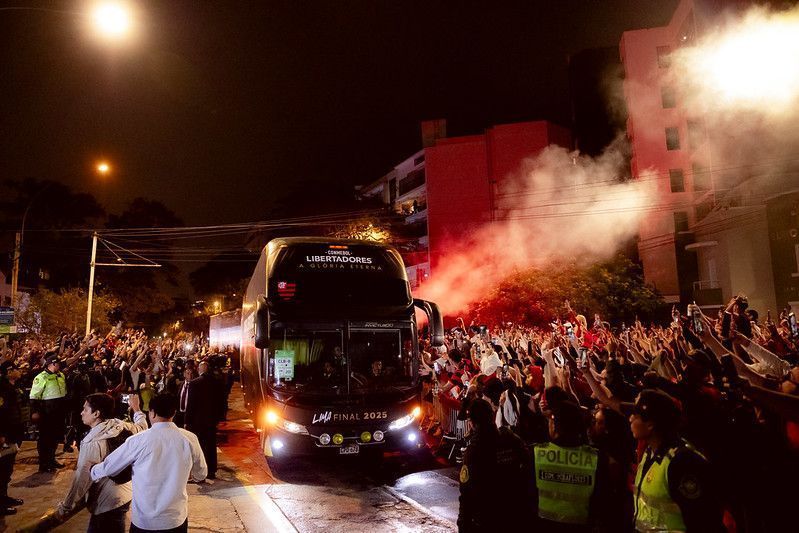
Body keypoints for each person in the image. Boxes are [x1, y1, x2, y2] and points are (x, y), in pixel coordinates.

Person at [90, 393, 207, 533]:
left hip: (145, 522)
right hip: (175, 519)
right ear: (174, 413)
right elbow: (201, 474)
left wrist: (92, 470)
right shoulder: (189, 438)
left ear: (152, 413)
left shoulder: (138, 441)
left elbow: (109, 467)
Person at [628, 389, 725, 532]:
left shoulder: (682, 462)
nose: (630, 419)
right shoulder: (651, 452)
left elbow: (703, 520)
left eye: (635, 416)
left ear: (650, 425)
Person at [56, 392, 149, 532]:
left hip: (106, 501)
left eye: (85, 409)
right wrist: (136, 409)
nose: (81, 413)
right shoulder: (123, 426)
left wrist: (65, 507)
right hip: (126, 494)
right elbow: (143, 427)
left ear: (96, 414)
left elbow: (82, 478)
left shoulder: (92, 442)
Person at [532, 400, 609, 532]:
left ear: (554, 426)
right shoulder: (595, 457)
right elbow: (602, 500)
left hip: (544, 525)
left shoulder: (536, 453)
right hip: (582, 526)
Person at [458, 398, 529, 532]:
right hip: (513, 512)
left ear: (471, 422)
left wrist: (463, 525)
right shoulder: (510, 438)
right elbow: (527, 466)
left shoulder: (474, 449)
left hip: (487, 518)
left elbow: (466, 495)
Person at [29, 354, 67, 472]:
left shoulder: (61, 375)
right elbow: (34, 396)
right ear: (53, 364)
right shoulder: (41, 377)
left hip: (59, 410)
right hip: (46, 412)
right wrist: (35, 412)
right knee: (45, 438)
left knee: (55, 437)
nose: (60, 365)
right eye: (59, 363)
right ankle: (43, 463)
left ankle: (51, 459)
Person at [185, 361, 223, 479]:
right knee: (211, 445)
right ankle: (211, 469)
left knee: (200, 446)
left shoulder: (194, 383)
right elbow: (221, 401)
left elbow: (190, 405)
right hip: (211, 419)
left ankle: (201, 470)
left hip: (198, 421)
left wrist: (188, 421)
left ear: (200, 370)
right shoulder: (216, 382)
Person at [0, 365, 25, 516]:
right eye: (16, 369)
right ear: (9, 372)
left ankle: (4, 497)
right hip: (6, 433)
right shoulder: (2, 388)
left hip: (14, 431)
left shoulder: (15, 386)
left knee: (7, 469)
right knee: (2, 469)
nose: (19, 371)